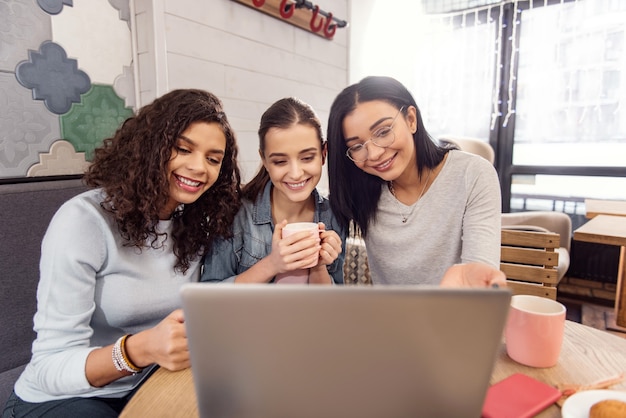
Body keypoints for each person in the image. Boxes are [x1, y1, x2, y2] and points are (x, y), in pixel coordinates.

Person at [3, 89, 241, 418]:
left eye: (213, 159)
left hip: (147, 384)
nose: (199, 167)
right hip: (64, 396)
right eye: (183, 149)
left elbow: (204, 295)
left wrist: (276, 263)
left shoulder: (190, 222)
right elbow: (49, 366)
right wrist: (138, 349)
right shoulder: (84, 220)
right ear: (150, 147)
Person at [326, 76, 502, 286]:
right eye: (356, 146)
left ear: (411, 119)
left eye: (383, 132)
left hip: (457, 314)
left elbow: (479, 278)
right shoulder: (360, 189)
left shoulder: (472, 174)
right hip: (388, 318)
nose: (373, 154)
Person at [202, 97, 344, 285]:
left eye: (307, 158)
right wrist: (273, 264)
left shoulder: (335, 215)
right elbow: (210, 297)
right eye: (280, 161)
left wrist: (318, 266)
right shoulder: (235, 213)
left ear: (323, 154)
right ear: (265, 160)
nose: (295, 174)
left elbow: (331, 308)